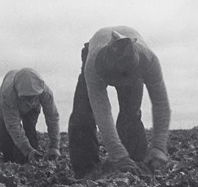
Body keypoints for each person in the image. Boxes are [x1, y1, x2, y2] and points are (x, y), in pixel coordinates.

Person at [68, 26, 171, 178]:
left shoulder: (148, 60)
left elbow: (160, 102)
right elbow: (101, 109)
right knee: (82, 115)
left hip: (132, 63)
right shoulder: (93, 65)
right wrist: (118, 153)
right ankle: (86, 173)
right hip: (95, 54)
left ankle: (135, 169)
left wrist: (159, 146)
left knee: (131, 115)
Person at [0, 68, 60, 164]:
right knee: (5, 138)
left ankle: (31, 164)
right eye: (27, 97)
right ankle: (8, 165)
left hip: (33, 108)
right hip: (8, 105)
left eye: (34, 96)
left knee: (30, 131)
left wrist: (54, 146)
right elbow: (13, 125)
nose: (30, 101)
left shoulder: (45, 92)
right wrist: (27, 149)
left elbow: (52, 118)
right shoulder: (7, 96)